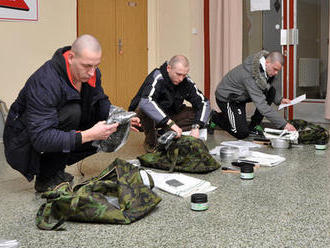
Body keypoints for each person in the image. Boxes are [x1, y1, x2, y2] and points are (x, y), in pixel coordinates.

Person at [3, 34, 140, 192]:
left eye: (96, 65)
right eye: (87, 66)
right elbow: (40, 138)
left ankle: (55, 170)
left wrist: (120, 119)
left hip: (50, 128)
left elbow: (100, 101)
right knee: (72, 112)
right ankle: (46, 177)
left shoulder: (92, 73)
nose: (91, 72)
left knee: (96, 119)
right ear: (71, 58)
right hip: (23, 141)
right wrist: (89, 135)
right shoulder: (45, 81)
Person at [128, 55, 211, 152]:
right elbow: (146, 102)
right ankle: (151, 143)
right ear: (168, 68)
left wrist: (196, 127)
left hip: (169, 114)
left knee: (199, 115)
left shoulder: (186, 81)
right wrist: (171, 124)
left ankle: (164, 133)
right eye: (178, 74)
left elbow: (204, 102)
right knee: (145, 108)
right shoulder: (157, 76)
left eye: (184, 75)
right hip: (143, 118)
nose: (181, 79)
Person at [211, 50, 296, 139]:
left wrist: (280, 99)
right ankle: (215, 117)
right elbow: (262, 106)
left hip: (241, 95)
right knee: (241, 133)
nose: (276, 73)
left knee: (271, 93)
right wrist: (284, 124)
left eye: (278, 70)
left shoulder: (264, 69)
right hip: (228, 98)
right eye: (275, 69)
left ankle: (253, 126)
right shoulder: (250, 76)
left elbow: (268, 87)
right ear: (267, 63)